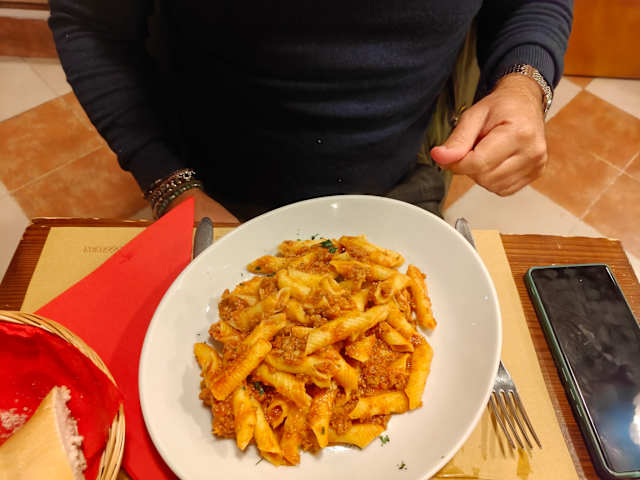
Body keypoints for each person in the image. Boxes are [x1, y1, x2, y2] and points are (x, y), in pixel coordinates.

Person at [48, 0, 573, 223]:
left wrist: (525, 82)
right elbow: (90, 24)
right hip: (212, 184)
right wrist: (169, 184)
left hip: (409, 169)